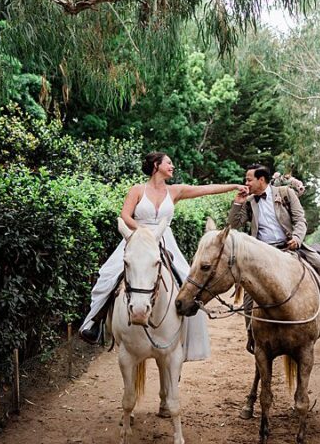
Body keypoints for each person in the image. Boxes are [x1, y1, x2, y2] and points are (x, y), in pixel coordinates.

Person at [78, 152, 242, 354]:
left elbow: (205, 189)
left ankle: (184, 340)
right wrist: (143, 233)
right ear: (156, 165)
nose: (172, 166)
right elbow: (125, 215)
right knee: (108, 276)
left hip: (165, 241)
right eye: (169, 163)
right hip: (137, 239)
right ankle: (96, 323)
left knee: (187, 281)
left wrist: (233, 186)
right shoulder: (138, 190)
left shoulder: (175, 191)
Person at [227, 164, 320, 329]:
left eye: (249, 179)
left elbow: (300, 220)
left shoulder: (286, 193)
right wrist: (237, 203)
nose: (246, 183)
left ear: (261, 179)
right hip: (263, 251)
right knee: (249, 286)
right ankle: (251, 333)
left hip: (290, 247)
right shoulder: (249, 202)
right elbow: (234, 224)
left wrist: (297, 238)